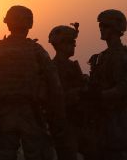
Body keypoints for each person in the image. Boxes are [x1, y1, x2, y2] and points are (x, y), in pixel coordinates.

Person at [0, 5, 65, 160]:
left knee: (6, 153)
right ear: (29, 24)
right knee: (36, 153)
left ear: (8, 23)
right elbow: (55, 85)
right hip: (30, 113)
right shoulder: (36, 50)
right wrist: (58, 117)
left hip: (5, 114)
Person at [79, 9, 127, 160]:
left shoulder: (121, 56)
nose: (101, 28)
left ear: (115, 28)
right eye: (100, 25)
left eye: (105, 26)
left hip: (113, 120)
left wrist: (99, 95)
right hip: (98, 119)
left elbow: (124, 88)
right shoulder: (102, 57)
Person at [48, 23, 87, 160]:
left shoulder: (72, 66)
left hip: (78, 121)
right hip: (64, 123)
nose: (74, 45)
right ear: (59, 44)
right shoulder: (52, 68)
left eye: (74, 42)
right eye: (71, 42)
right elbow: (54, 98)